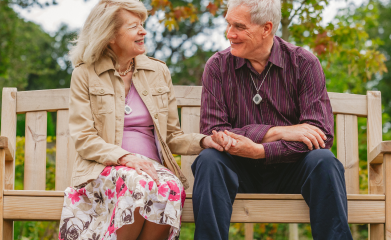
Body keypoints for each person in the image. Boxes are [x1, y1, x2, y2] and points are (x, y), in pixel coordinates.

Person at [59, 1, 224, 239]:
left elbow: (171, 137)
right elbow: (84, 139)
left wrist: (204, 142)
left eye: (142, 25)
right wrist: (126, 158)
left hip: (151, 170)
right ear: (110, 35)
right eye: (134, 26)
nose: (143, 31)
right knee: (139, 184)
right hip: (105, 169)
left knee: (172, 187)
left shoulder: (158, 72)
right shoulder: (85, 74)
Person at [191, 0, 353, 239]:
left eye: (239, 26)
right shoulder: (217, 66)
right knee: (209, 159)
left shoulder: (303, 63)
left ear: (266, 28)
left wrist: (260, 150)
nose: (229, 34)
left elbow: (321, 134)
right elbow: (216, 132)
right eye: (228, 24)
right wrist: (278, 132)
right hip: (236, 172)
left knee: (323, 160)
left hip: (292, 171)